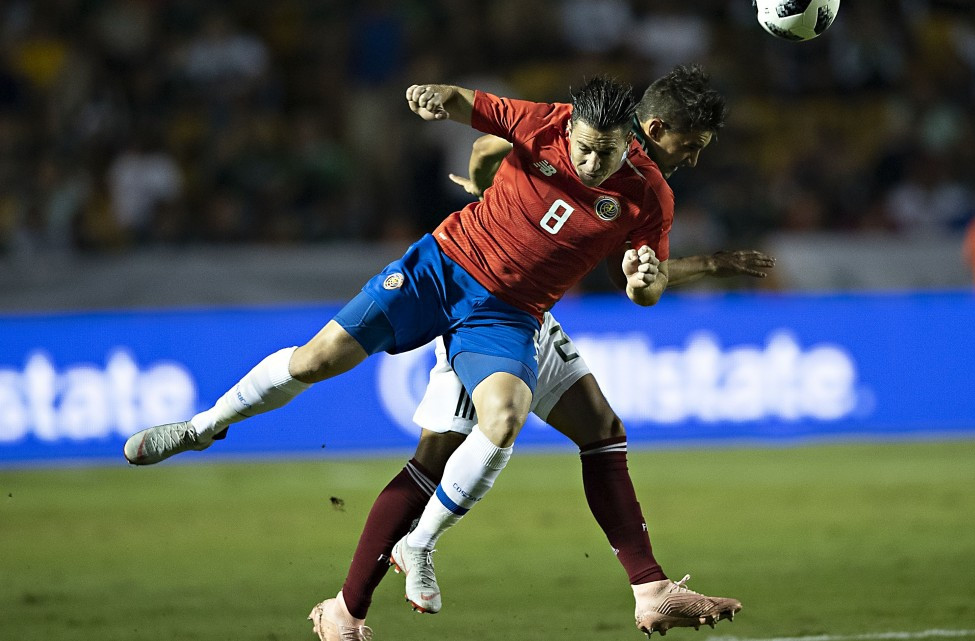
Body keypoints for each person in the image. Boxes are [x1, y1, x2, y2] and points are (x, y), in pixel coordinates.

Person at [124, 75, 677, 637]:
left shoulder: (647, 193)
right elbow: (468, 104)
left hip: (505, 316)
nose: (589, 162)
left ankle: (415, 549)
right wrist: (436, 97)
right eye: (582, 147)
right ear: (570, 128)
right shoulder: (544, 120)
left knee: (505, 418)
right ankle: (202, 427)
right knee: (318, 360)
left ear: (628, 141)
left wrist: (642, 279)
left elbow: (646, 288)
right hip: (439, 269)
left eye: (603, 152)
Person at [337, 67, 760, 640]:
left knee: (601, 428)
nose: (695, 157)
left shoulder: (641, 184)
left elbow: (637, 281)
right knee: (436, 458)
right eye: (693, 144)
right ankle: (348, 607)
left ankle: (651, 588)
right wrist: (491, 187)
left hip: (525, 314)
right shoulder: (582, 137)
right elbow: (495, 136)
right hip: (483, 303)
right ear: (658, 128)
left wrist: (694, 268)